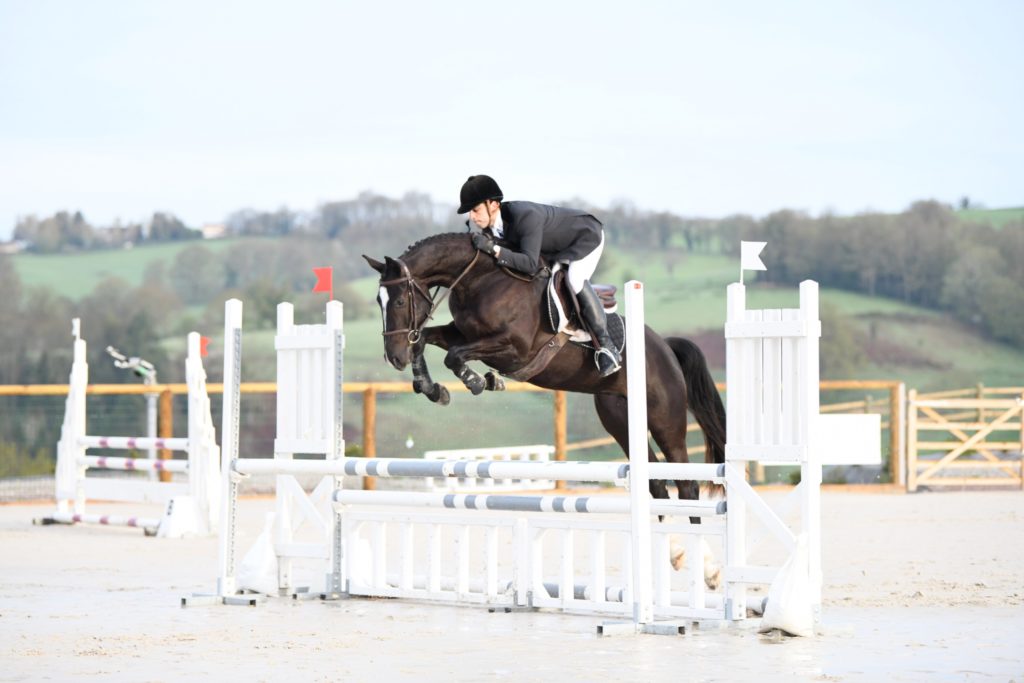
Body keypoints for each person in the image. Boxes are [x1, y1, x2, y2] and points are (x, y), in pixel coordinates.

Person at [457, 174, 621, 377]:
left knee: (574, 279)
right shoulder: (493, 228)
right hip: (555, 249)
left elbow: (528, 263)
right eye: (470, 213)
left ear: (492, 204)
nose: (472, 217)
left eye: (475, 210)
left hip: (585, 237)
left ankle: (606, 346)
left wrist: (494, 250)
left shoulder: (525, 217)